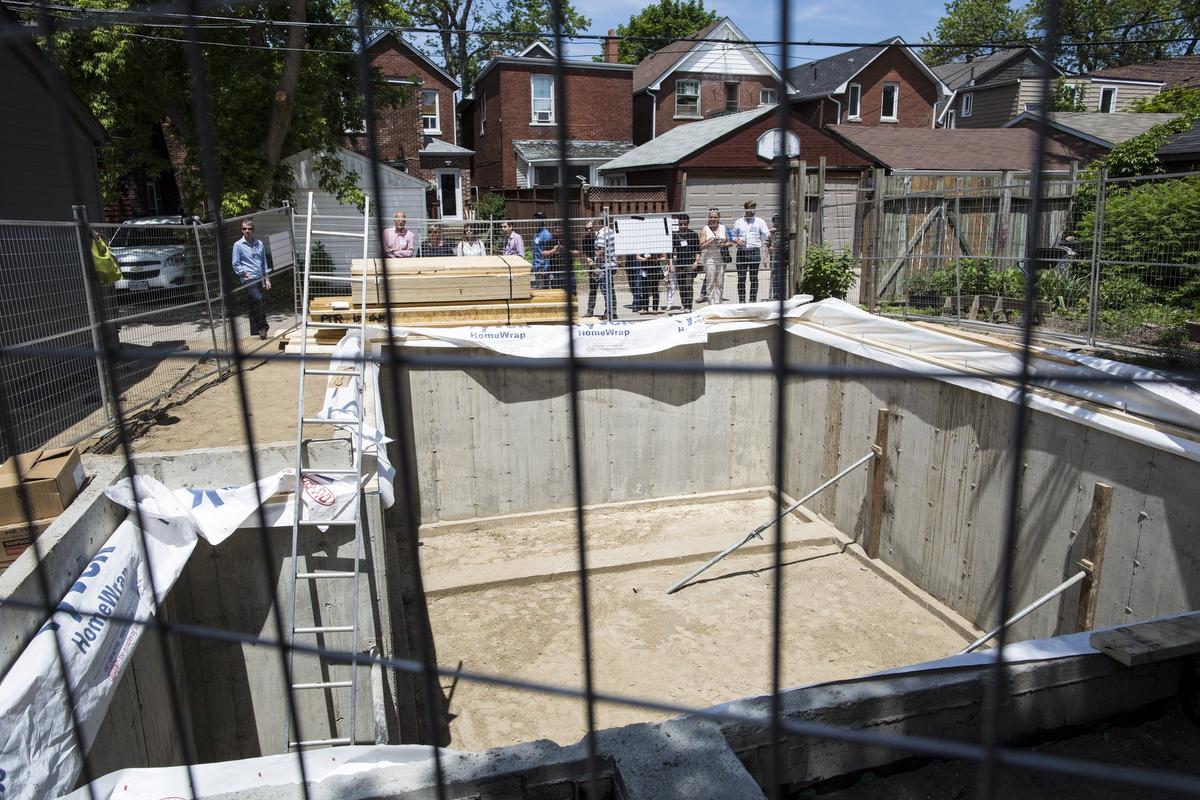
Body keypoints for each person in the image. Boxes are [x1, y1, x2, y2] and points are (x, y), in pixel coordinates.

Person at [232, 218, 272, 339]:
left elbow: (263, 261)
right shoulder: (238, 245)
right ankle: (263, 327)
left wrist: (267, 278)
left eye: (249, 229)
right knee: (258, 299)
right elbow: (235, 263)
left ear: (253, 230)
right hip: (249, 279)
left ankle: (256, 330)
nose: (247, 231)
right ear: (242, 230)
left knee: (255, 303)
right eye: (244, 229)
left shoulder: (259, 244)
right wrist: (244, 274)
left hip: (259, 277)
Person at [732, 200, 771, 303]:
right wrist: (737, 240)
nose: (752, 211)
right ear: (745, 209)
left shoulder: (760, 221)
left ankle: (752, 300)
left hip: (754, 251)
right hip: (742, 252)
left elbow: (767, 234)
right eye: (750, 209)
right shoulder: (738, 222)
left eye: (753, 209)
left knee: (753, 277)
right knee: (741, 278)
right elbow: (733, 236)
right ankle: (742, 301)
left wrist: (772, 233)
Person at [698, 208, 732, 305]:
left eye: (715, 217)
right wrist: (712, 240)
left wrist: (724, 244)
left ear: (719, 217)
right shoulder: (705, 229)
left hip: (721, 257)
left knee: (720, 282)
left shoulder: (723, 228)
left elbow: (730, 242)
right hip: (710, 258)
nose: (713, 219)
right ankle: (711, 303)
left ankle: (718, 302)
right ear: (708, 217)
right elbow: (701, 246)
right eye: (711, 217)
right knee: (710, 281)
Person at [670, 213, 702, 312]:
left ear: (688, 223)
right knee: (682, 286)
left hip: (690, 264)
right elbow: (670, 252)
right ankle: (683, 305)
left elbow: (698, 250)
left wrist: (696, 261)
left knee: (688, 286)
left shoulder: (693, 234)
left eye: (685, 224)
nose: (683, 226)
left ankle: (689, 306)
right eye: (681, 224)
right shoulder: (674, 235)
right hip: (679, 264)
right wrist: (671, 265)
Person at [591, 217, 618, 319]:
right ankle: (612, 311)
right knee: (610, 289)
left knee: (606, 290)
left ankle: (609, 312)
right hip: (612, 263)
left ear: (600, 222)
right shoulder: (612, 232)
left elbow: (601, 250)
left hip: (604, 265)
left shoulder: (602, 234)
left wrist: (595, 264)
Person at [768, 214, 789, 301]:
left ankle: (782, 295)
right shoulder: (771, 231)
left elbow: (788, 243)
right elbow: (767, 244)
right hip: (773, 257)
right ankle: (775, 296)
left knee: (782, 276)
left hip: (782, 257)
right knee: (774, 276)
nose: (776, 223)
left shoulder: (785, 231)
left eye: (778, 221)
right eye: (774, 221)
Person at [542, 223, 568, 290]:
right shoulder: (550, 241)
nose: (558, 231)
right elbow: (544, 253)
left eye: (560, 229)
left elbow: (577, 252)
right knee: (555, 289)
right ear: (554, 230)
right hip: (554, 271)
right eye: (556, 229)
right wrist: (554, 250)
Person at [531, 212, 552, 288]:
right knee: (538, 289)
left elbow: (549, 252)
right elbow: (535, 250)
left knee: (543, 290)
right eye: (535, 219)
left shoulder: (546, 234)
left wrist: (545, 269)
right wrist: (533, 264)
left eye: (538, 219)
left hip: (542, 267)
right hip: (536, 266)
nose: (536, 221)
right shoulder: (536, 233)